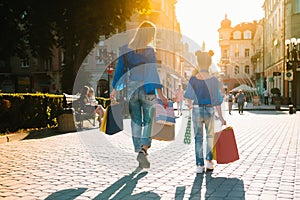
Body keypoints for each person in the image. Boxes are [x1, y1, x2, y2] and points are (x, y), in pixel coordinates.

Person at [110, 21, 168, 169]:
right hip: (147, 89)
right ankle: (144, 149)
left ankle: (138, 149)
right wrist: (161, 94)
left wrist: (115, 89)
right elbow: (152, 72)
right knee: (148, 121)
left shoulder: (125, 49)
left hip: (131, 90)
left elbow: (119, 71)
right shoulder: (149, 51)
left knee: (136, 121)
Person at [184, 51, 226, 174]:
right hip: (209, 110)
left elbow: (188, 96)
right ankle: (209, 162)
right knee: (210, 137)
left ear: (198, 63)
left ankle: (199, 165)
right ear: (209, 63)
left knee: (198, 138)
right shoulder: (214, 80)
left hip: (196, 109)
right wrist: (221, 117)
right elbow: (217, 100)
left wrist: (190, 105)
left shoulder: (193, 79)